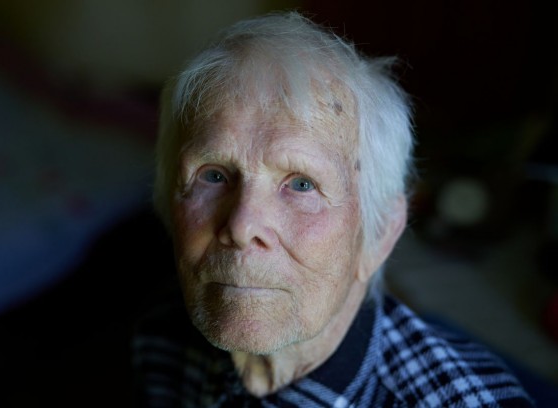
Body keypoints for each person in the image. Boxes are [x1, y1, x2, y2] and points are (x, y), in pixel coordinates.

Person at [132, 10, 535, 407]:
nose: (241, 225)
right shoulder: (159, 341)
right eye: (213, 175)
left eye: (302, 184)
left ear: (380, 232)